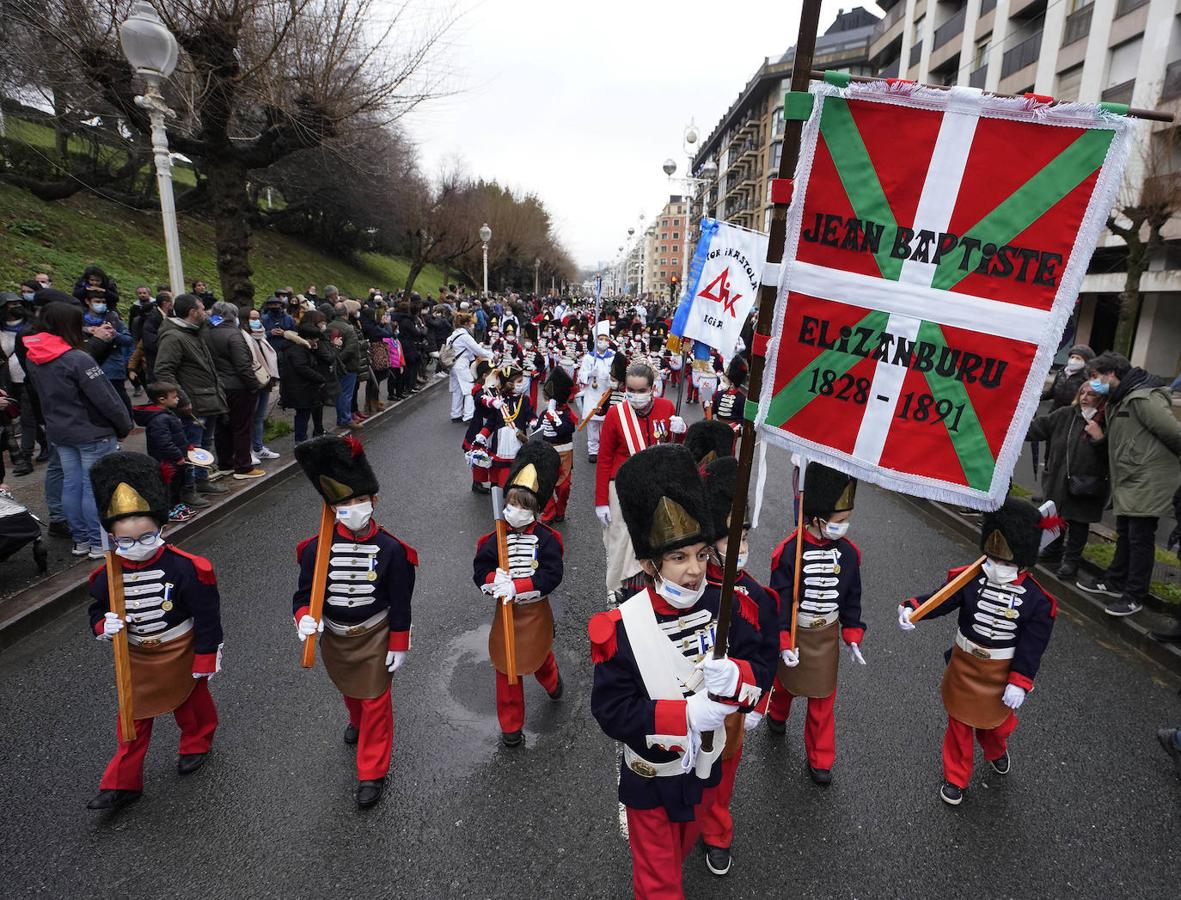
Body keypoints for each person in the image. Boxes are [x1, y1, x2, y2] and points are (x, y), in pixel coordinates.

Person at [588, 444, 767, 898]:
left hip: (705, 772)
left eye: (702, 555)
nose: (694, 571)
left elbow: (759, 666)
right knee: (660, 882)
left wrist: (740, 678)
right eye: (679, 558)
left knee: (682, 850)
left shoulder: (727, 606)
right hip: (650, 779)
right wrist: (682, 718)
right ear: (650, 565)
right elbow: (612, 711)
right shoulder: (621, 627)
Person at [85, 451, 223, 811]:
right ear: (114, 538)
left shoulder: (188, 568)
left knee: (191, 705)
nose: (136, 548)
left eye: (146, 537)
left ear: (160, 529)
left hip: (179, 647)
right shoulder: (106, 576)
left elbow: (207, 616)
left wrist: (206, 656)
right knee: (132, 719)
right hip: (135, 654)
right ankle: (122, 783)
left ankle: (196, 742)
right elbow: (96, 609)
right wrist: (104, 624)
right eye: (125, 542)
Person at [899, 498, 1057, 806]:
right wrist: (913, 609)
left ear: (1023, 561)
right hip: (964, 664)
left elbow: (1032, 646)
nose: (998, 567)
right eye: (993, 559)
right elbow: (941, 600)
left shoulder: (1038, 602)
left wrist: (1020, 681)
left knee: (994, 727)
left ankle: (997, 749)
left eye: (1007, 562)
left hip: (1000, 673)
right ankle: (956, 777)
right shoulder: (971, 579)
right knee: (958, 722)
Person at [291, 435, 417, 808]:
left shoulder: (394, 550)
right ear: (331, 509)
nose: (354, 508)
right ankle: (355, 718)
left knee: (377, 701)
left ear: (373, 501)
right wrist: (303, 619)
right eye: (344, 503)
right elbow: (302, 597)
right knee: (351, 691)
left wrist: (399, 642)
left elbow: (401, 602)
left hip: (375, 636)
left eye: (360, 500)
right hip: (337, 640)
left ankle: (371, 772)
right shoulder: (315, 549)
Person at [697, 455, 780, 876]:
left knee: (721, 780)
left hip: (731, 708)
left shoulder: (759, 599)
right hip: (688, 706)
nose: (742, 547)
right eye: (731, 537)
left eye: (744, 534)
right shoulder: (685, 588)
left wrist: (757, 703)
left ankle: (716, 832)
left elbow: (766, 660)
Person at [766, 464, 866, 785]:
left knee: (823, 698)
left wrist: (852, 632)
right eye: (838, 522)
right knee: (785, 686)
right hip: (797, 631)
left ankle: (821, 758)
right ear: (817, 518)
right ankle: (777, 713)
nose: (844, 526)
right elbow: (779, 601)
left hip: (826, 637)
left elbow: (852, 595)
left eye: (846, 520)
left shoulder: (850, 554)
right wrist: (782, 639)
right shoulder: (788, 552)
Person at [22, 303, 132, 558]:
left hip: (60, 431)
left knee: (71, 485)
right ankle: (98, 542)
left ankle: (81, 540)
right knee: (94, 486)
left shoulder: (33, 357)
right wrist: (123, 425)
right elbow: (106, 398)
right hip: (92, 431)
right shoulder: (77, 359)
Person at [473, 440, 565, 746]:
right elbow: (480, 567)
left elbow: (552, 574)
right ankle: (510, 726)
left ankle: (552, 682)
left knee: (538, 658)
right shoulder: (492, 538)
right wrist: (491, 579)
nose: (515, 511)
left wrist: (520, 586)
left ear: (536, 509)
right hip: (505, 613)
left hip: (535, 610)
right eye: (511, 504)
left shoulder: (549, 540)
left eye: (524, 506)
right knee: (505, 664)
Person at [1077, 352, 1181, 617]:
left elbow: (1173, 433)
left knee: (1139, 537)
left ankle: (1134, 595)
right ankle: (1114, 581)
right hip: (1129, 477)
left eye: (1095, 376)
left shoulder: (1142, 398)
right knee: (1126, 532)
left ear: (1111, 373)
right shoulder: (1118, 399)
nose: (1093, 382)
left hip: (1148, 478)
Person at [594, 361, 686, 600]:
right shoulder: (616, 413)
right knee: (620, 538)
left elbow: (676, 451)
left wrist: (682, 430)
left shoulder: (667, 408)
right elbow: (604, 459)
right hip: (622, 485)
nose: (635, 396)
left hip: (656, 484)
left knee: (657, 538)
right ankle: (615, 590)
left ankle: (651, 588)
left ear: (652, 389)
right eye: (631, 391)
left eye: (640, 391)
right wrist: (601, 501)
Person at [1024, 381, 1109, 578]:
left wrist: (1099, 438)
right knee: (1056, 516)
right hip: (1058, 478)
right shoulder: (1065, 414)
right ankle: (1053, 550)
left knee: (1078, 522)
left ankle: (1071, 561)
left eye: (1092, 394)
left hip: (1086, 483)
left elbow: (1111, 455)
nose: (1085, 397)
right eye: (1083, 392)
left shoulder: (1105, 421)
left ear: (1101, 399)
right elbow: (1038, 429)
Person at [153, 295, 229, 499]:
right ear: (192, 312)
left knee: (204, 444)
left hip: (207, 399)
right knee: (190, 448)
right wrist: (182, 399)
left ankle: (201, 480)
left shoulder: (194, 332)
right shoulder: (174, 337)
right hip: (192, 403)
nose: (205, 312)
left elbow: (215, 323)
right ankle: (188, 489)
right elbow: (163, 371)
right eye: (202, 309)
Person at [202, 302, 262, 480]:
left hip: (218, 386)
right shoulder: (234, 335)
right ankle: (244, 467)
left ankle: (225, 463)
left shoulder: (206, 332)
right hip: (238, 386)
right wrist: (253, 386)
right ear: (232, 316)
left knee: (222, 426)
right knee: (242, 426)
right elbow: (243, 365)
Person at [134, 381, 198, 521]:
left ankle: (177, 505)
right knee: (170, 486)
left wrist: (187, 447)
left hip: (175, 458)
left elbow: (177, 436)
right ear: (162, 399)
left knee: (178, 483)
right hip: (167, 461)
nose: (178, 399)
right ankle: (170, 509)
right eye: (174, 397)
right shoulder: (160, 419)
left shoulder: (167, 414)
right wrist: (178, 456)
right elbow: (164, 442)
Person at [472, 365, 533, 489]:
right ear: (509, 384)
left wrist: (534, 423)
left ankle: (513, 500)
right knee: (498, 476)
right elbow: (491, 423)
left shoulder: (525, 400)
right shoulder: (498, 401)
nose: (523, 383)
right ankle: (499, 500)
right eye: (519, 381)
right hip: (500, 444)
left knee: (517, 473)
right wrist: (482, 435)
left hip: (518, 442)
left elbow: (531, 416)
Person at [81, 287, 135, 414]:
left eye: (103, 302)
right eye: (97, 301)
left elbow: (128, 340)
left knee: (119, 397)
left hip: (113, 367)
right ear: (88, 301)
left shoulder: (113, 318)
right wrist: (86, 330)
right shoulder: (80, 320)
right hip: (89, 366)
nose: (100, 305)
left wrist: (114, 334)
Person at [240, 306, 281, 463]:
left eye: (258, 318)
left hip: (265, 380)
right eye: (253, 318)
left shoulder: (262, 336)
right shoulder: (243, 337)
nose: (256, 321)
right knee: (248, 417)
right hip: (253, 381)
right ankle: (247, 450)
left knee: (258, 417)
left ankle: (258, 447)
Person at [536, 367, 576, 524]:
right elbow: (538, 429)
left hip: (564, 454)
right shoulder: (545, 413)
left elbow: (564, 429)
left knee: (563, 487)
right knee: (545, 484)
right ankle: (548, 512)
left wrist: (553, 416)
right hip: (546, 452)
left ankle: (560, 510)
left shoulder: (567, 414)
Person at [279, 322, 328, 443]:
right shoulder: (297, 349)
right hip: (300, 388)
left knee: (304, 414)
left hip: (302, 387)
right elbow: (303, 368)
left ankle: (302, 440)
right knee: (302, 415)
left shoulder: (300, 347)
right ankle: (301, 442)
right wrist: (319, 378)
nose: (316, 342)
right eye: (314, 339)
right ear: (307, 338)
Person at [445, 312, 493, 422]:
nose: (473, 325)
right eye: (471, 323)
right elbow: (477, 350)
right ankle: (468, 415)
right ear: (466, 323)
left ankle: (456, 414)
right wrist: (491, 355)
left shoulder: (452, 336)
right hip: (462, 365)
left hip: (452, 365)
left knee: (457, 390)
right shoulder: (464, 336)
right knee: (469, 389)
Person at [578, 322, 614, 462]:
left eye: (606, 339)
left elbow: (617, 374)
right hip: (592, 394)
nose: (603, 342)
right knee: (592, 424)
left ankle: (605, 449)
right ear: (596, 340)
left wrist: (611, 377)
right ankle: (593, 450)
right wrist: (589, 374)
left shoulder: (612, 357)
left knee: (606, 425)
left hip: (607, 394)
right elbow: (581, 375)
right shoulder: (588, 357)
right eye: (601, 338)